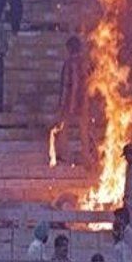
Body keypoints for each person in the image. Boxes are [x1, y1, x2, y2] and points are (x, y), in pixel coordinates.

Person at [56, 36, 89, 166]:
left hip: (70, 101)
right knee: (84, 130)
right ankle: (86, 156)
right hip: (83, 101)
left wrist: (62, 103)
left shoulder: (69, 64)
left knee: (64, 128)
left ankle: (65, 155)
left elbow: (66, 85)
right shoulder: (85, 63)